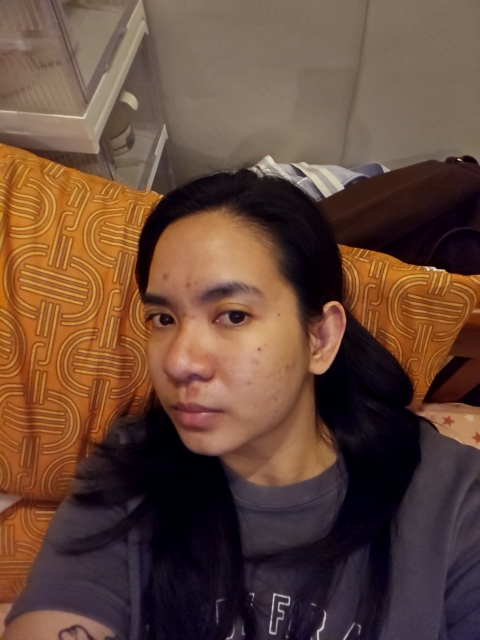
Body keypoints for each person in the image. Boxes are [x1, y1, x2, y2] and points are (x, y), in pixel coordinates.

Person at [5, 170, 480, 640]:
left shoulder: (453, 500)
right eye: (163, 318)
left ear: (319, 338)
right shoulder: (130, 472)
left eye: (232, 315)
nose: (179, 362)